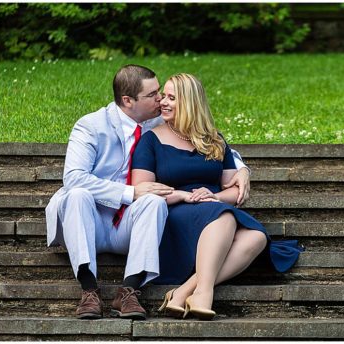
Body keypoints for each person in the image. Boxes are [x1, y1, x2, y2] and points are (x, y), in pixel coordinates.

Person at [44, 65, 251, 320]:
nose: (160, 99)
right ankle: (89, 290)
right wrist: (130, 192)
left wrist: (242, 169)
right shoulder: (90, 126)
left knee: (153, 201)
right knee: (77, 195)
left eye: (162, 93)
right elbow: (73, 178)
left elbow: (203, 139)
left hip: (129, 225)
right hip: (89, 221)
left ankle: (129, 291)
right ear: (128, 100)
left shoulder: (157, 120)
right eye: (153, 94)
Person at [130, 73, 301, 321]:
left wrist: (215, 197)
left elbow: (235, 191)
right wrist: (182, 195)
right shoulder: (151, 140)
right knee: (225, 219)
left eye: (171, 98)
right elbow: (142, 191)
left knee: (256, 237)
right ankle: (204, 293)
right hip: (175, 212)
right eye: (163, 96)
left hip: (213, 206)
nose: (163, 103)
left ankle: (185, 291)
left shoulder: (213, 140)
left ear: (190, 103)